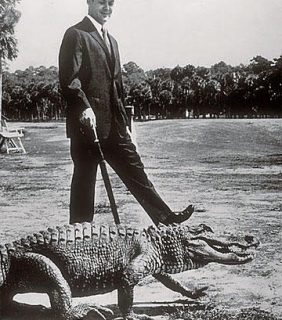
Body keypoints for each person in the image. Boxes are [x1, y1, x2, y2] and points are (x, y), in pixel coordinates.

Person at [59, 0, 194, 226]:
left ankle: (166, 220)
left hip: (114, 126)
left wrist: (126, 127)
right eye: (102, 2)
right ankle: (79, 236)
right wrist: (83, 107)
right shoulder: (76, 34)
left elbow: (117, 90)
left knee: (136, 171)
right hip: (87, 126)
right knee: (85, 182)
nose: (107, 8)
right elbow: (69, 80)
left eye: (111, 3)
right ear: (90, 2)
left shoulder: (112, 41)